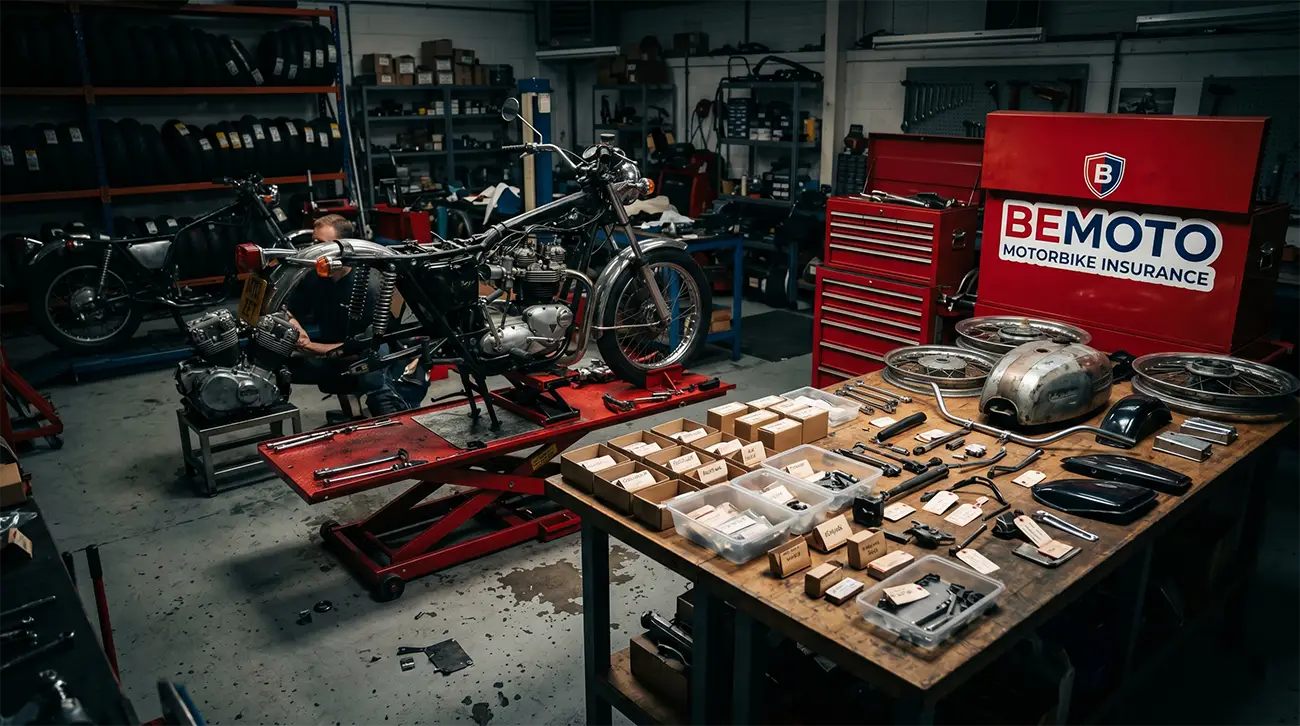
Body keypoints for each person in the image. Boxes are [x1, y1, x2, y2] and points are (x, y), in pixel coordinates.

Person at [282, 215, 412, 416]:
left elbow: (371, 348)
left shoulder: (370, 287)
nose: (316, 252)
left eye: (323, 245)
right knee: (279, 363)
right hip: (331, 354)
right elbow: (286, 308)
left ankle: (391, 419)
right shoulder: (313, 278)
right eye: (314, 243)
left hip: (376, 360)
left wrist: (311, 347)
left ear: (344, 247)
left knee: (376, 381)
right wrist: (297, 330)